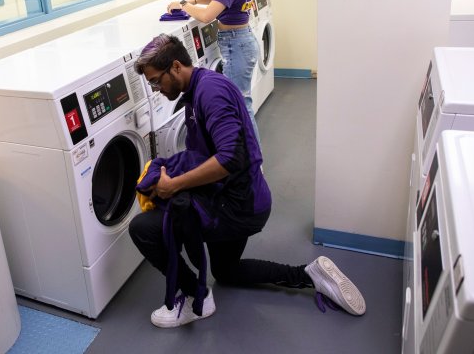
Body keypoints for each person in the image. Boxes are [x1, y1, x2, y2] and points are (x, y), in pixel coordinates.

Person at [129, 34, 366, 328]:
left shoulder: (210, 94)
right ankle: (310, 275)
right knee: (227, 271)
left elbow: (230, 159)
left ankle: (196, 299)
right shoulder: (199, 87)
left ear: (176, 67)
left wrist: (174, 184)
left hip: (237, 206)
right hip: (245, 197)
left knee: (143, 229)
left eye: (156, 81)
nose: (156, 89)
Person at [167, 0, 261, 140]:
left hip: (236, 46)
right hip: (242, 42)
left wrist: (182, 5)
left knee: (241, 105)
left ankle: (254, 162)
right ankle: (247, 156)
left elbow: (208, 16)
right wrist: (194, 0)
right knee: (241, 102)